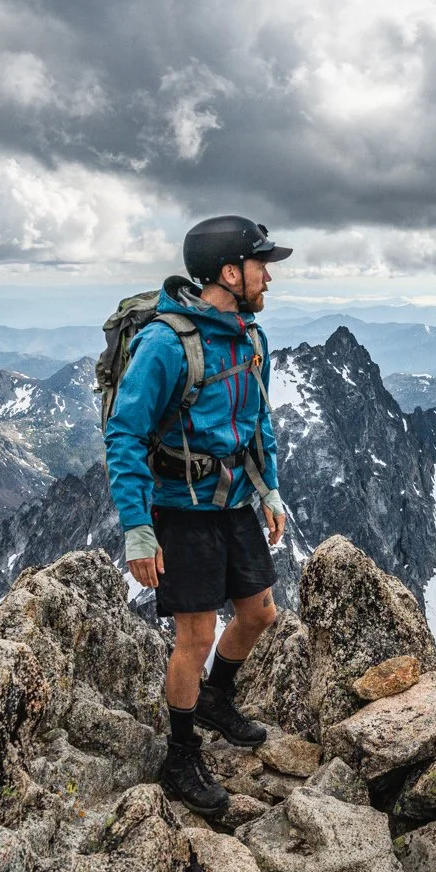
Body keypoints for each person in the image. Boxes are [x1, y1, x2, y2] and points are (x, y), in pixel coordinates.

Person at [103, 215, 291, 815]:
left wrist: (270, 492)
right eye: (261, 266)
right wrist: (137, 528)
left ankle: (216, 698)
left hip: (234, 500)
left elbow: (258, 421)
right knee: (195, 635)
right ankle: (180, 754)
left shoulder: (250, 337)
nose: (269, 278)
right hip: (181, 510)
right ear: (229, 273)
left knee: (260, 612)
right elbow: (125, 433)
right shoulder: (166, 343)